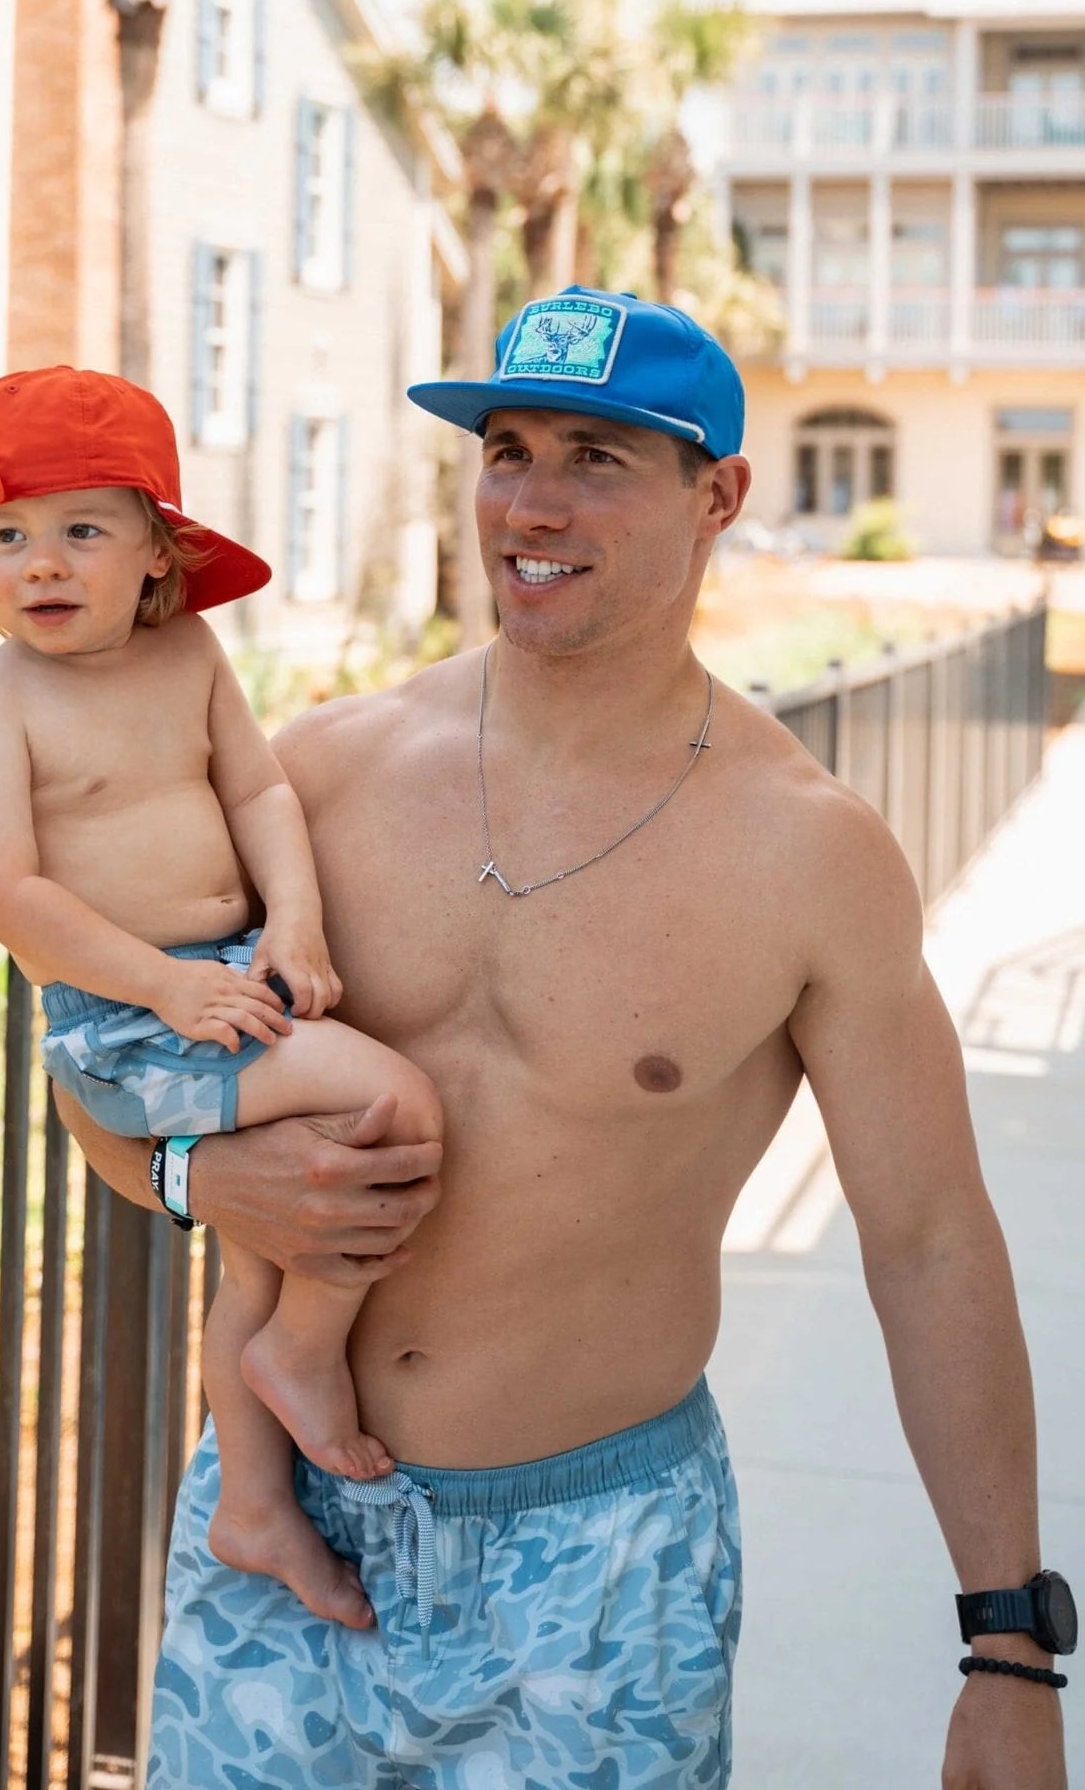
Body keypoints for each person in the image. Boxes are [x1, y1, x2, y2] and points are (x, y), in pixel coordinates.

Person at [57, 291, 1071, 1790]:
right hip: (281, 1528)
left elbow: (927, 1241)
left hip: (599, 1568)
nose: (531, 502)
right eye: (508, 449)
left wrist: (1009, 1648)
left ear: (717, 494)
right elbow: (101, 1073)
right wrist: (201, 1186)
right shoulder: (321, 775)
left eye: (600, 458)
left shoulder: (809, 856)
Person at [0, 366, 442, 1626]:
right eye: (6, 537)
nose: (40, 564)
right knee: (398, 1100)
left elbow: (260, 792)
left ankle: (254, 1500)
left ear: (159, 551)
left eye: (81, 529)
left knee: (271, 1246)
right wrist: (167, 986)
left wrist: (298, 923)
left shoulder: (189, 653)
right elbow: (5, 892)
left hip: (224, 981)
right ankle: (303, 1357)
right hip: (124, 1013)